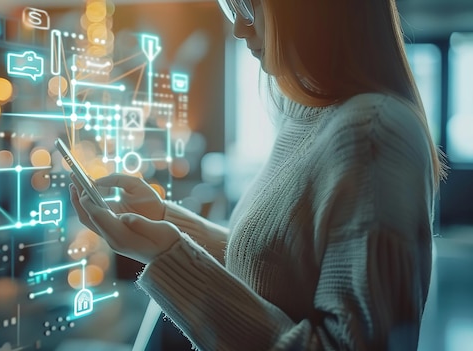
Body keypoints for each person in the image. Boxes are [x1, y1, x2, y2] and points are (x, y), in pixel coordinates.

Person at [69, 0, 447, 349]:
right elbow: (275, 268)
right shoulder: (310, 114)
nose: (239, 29)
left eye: (252, 7)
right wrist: (167, 220)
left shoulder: (372, 132)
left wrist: (169, 255)